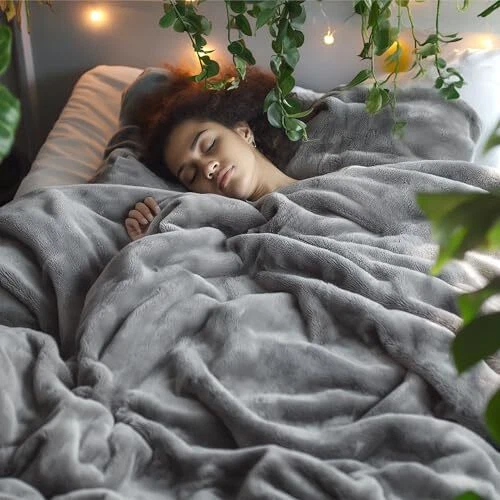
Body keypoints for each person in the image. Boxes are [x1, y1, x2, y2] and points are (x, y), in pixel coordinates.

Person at [124, 63, 309, 241]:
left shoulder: (324, 182)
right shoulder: (228, 236)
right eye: (191, 175)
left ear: (243, 131)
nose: (207, 168)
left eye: (209, 145)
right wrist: (152, 238)